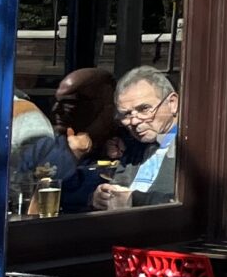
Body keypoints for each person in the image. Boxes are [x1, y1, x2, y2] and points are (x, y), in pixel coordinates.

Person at [10, 67, 134, 213]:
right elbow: (23, 194)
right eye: (54, 101)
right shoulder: (47, 146)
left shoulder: (132, 146)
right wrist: (71, 154)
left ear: (108, 107)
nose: (56, 109)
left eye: (70, 103)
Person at [96, 67, 180, 209]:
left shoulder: (192, 146)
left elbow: (195, 205)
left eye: (144, 109)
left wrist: (134, 200)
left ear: (172, 103)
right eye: (126, 114)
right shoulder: (137, 145)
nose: (134, 121)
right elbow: (119, 187)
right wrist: (103, 197)